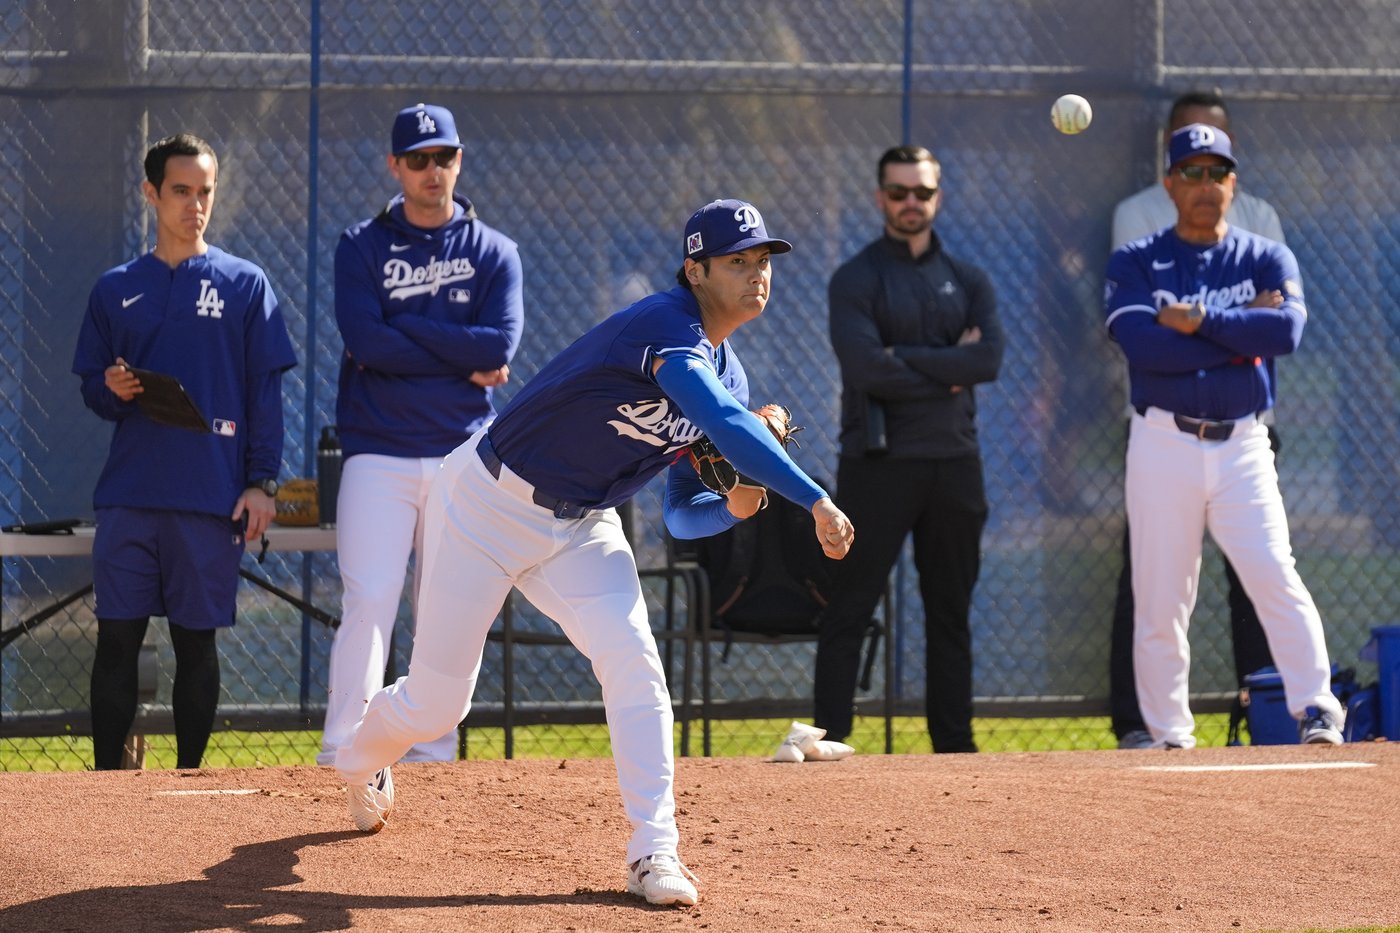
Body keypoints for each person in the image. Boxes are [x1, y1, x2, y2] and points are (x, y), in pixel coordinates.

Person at [334, 199, 854, 907]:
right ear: (694, 269)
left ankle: (654, 848)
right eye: (738, 260)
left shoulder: (727, 375)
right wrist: (812, 496)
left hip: (581, 522)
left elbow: (682, 510)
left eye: (763, 260)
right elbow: (729, 424)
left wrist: (739, 497)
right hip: (486, 501)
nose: (756, 272)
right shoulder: (662, 324)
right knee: (437, 706)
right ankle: (361, 756)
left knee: (634, 656)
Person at [1103, 123, 1344, 749]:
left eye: (1217, 172)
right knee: (1161, 594)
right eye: (1192, 172)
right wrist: (1240, 335)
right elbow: (1140, 345)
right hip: (1162, 441)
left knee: (1272, 571)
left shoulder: (1267, 256)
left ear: (1233, 184)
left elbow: (1285, 335)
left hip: (1243, 444)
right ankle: (1168, 733)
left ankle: (1317, 707)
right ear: (1170, 185)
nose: (1205, 185)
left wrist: (1200, 320)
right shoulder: (1136, 260)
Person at [72, 133, 297, 770]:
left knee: (197, 647)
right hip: (130, 498)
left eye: (204, 192)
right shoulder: (115, 288)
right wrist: (111, 389)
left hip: (210, 499)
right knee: (115, 643)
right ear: (151, 195)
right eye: (180, 191)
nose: (194, 204)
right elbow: (94, 386)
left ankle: (189, 787)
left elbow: (264, 392)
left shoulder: (245, 284)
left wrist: (262, 483)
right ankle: (106, 790)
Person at [317, 103, 524, 767]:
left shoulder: (494, 251)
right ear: (395, 166)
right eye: (419, 159)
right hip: (377, 449)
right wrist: (460, 356)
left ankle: (431, 750)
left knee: (443, 606)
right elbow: (365, 341)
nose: (433, 170)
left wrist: (405, 328)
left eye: (445, 156)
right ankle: (345, 742)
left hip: (463, 452)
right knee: (370, 596)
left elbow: (500, 343)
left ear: (459, 160)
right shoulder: (362, 245)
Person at [813, 145, 1004, 754]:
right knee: (849, 606)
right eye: (899, 193)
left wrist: (908, 360)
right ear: (880, 199)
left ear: (937, 197)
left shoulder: (969, 279)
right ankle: (830, 737)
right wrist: (948, 370)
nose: (911, 204)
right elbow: (865, 368)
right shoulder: (856, 278)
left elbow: (988, 358)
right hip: (877, 467)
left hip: (954, 464)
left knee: (949, 613)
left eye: (922, 192)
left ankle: (955, 747)